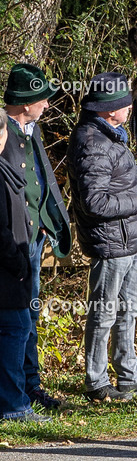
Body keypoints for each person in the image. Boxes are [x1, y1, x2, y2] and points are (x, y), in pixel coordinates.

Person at [66, 73, 137, 401]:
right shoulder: (93, 143)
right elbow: (94, 202)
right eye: (126, 104)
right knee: (104, 312)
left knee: (129, 309)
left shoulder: (112, 134)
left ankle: (128, 373)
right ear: (110, 110)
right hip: (110, 242)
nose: (131, 107)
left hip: (129, 237)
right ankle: (96, 381)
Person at [1, 64, 72, 413]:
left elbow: (42, 178)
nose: (47, 103)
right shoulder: (2, 133)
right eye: (41, 97)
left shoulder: (33, 129)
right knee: (16, 319)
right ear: (25, 102)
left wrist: (47, 222)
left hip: (33, 236)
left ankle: (31, 387)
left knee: (30, 314)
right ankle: (16, 397)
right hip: (11, 238)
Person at [0, 108, 51, 422]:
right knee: (15, 332)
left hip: (11, 269)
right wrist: (19, 262)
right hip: (8, 274)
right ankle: (14, 405)